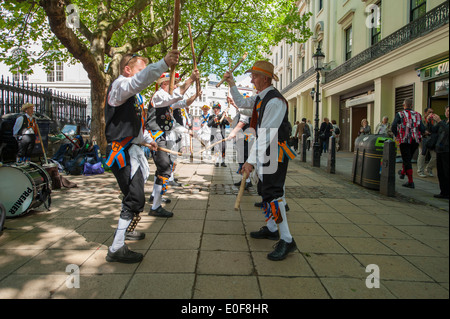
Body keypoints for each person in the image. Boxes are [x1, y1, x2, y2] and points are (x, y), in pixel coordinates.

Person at [104, 51, 179, 263]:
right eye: (140, 70)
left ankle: (125, 232)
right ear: (127, 70)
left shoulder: (132, 94)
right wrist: (164, 63)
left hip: (132, 150)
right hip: (122, 153)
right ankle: (116, 247)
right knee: (135, 198)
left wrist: (147, 138)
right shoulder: (120, 86)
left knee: (133, 196)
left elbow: (136, 123)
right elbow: (138, 82)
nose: (143, 75)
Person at [224, 60, 297, 261]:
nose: (251, 79)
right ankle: (273, 228)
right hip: (267, 151)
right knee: (266, 191)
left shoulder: (274, 101)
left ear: (265, 78)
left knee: (274, 195)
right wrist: (232, 84)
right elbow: (243, 104)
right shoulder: (260, 98)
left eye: (254, 76)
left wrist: (250, 161)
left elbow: (265, 134)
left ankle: (288, 239)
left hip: (275, 152)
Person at [147, 70, 200, 218]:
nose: (176, 86)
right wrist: (191, 79)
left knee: (163, 170)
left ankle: (155, 200)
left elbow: (181, 105)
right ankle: (155, 205)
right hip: (155, 138)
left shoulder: (167, 101)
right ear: (165, 84)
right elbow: (176, 96)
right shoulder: (159, 96)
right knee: (164, 169)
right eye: (174, 84)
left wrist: (187, 131)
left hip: (161, 137)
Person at [391, 98, 425, 189]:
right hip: (415, 140)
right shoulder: (418, 115)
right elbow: (422, 128)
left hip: (404, 140)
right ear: (411, 106)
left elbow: (393, 126)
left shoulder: (400, 114)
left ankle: (410, 181)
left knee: (407, 159)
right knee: (407, 157)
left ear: (403, 105)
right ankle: (402, 172)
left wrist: (397, 135)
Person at [227, 96, 252, 189]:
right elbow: (234, 123)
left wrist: (233, 133)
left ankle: (247, 180)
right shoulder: (239, 112)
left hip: (247, 139)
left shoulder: (246, 111)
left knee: (245, 159)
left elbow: (242, 121)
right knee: (241, 159)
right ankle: (245, 180)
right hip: (241, 140)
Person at [430, 106, 449, 199]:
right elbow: (433, 130)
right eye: (447, 111)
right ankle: (443, 192)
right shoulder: (444, 122)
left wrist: (440, 121)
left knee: (447, 172)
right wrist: (429, 121)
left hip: (447, 150)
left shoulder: (443, 123)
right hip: (440, 149)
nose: (447, 112)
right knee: (440, 172)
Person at [208, 102, 231, 167]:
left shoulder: (222, 116)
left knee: (223, 148)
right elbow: (209, 124)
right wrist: (213, 120)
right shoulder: (211, 117)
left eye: (217, 109)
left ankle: (223, 161)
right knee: (216, 148)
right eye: (214, 109)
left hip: (222, 134)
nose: (216, 110)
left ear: (219, 109)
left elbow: (227, 123)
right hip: (215, 135)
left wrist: (226, 116)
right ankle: (217, 161)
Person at [417, 107, 437, 178]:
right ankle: (420, 171)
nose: (431, 114)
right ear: (425, 113)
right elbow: (417, 129)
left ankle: (429, 168)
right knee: (422, 155)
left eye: (432, 112)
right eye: (429, 112)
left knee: (435, 156)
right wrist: (423, 133)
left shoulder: (434, 120)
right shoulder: (421, 120)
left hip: (432, 140)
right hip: (423, 139)